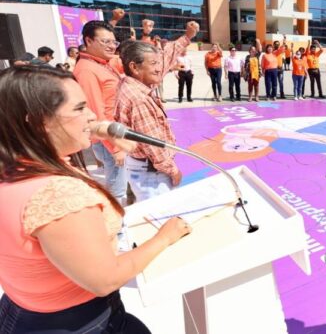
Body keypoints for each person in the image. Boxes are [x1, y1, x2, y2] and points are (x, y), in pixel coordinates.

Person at [0, 66, 190, 333]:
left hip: (23, 311)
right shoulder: (59, 195)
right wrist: (165, 237)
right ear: (38, 122)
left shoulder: (13, 167)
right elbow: (105, 278)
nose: (91, 115)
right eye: (79, 109)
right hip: (82, 322)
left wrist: (93, 130)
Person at [116, 41, 184, 202]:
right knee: (162, 214)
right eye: (153, 63)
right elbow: (154, 144)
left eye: (158, 63)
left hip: (140, 166)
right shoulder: (139, 99)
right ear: (135, 67)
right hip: (152, 173)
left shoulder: (129, 84)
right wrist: (173, 171)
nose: (159, 68)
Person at [73, 20, 128, 204]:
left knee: (122, 183)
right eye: (106, 42)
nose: (112, 46)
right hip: (108, 140)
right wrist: (116, 147)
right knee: (117, 190)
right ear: (88, 41)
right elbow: (96, 114)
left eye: (114, 42)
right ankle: (118, 230)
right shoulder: (87, 71)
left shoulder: (102, 63)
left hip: (116, 133)